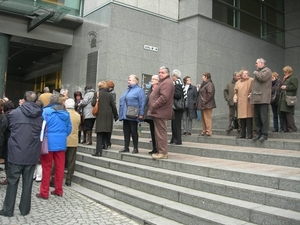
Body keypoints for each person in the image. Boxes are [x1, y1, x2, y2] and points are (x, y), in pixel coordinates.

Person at [0, 91, 43, 217]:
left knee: (12, 182)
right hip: (31, 154)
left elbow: (8, 129)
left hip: (16, 153)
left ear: (23, 100)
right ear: (35, 101)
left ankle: (8, 210)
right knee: (27, 183)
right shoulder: (40, 116)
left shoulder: (13, 114)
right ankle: (24, 209)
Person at [36, 94, 71, 199]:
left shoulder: (45, 112)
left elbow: (41, 127)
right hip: (61, 143)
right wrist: (63, 136)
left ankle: (44, 192)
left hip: (48, 143)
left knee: (46, 167)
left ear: (49, 101)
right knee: (60, 167)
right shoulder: (66, 113)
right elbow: (69, 128)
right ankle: (58, 190)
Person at [148, 66, 175, 159]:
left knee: (161, 133)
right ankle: (161, 151)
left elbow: (164, 97)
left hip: (161, 111)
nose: (160, 74)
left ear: (167, 74)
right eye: (159, 72)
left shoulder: (167, 83)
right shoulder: (162, 82)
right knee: (158, 133)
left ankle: (163, 153)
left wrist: (154, 105)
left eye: (162, 72)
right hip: (158, 112)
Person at [118, 74, 146, 154]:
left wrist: (141, 113)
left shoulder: (139, 90)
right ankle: (126, 147)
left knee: (134, 131)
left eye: (130, 80)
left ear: (135, 81)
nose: (128, 81)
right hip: (125, 114)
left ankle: (135, 148)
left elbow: (142, 102)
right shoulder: (127, 90)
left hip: (133, 114)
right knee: (126, 132)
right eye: (128, 80)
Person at [91, 81, 118, 156]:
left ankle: (98, 151)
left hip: (100, 115)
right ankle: (106, 144)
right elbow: (113, 106)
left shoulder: (97, 94)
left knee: (99, 133)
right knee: (107, 131)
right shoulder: (109, 95)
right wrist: (116, 115)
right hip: (108, 115)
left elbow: (93, 104)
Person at [250, 58, 272, 141]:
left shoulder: (267, 70)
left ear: (262, 63)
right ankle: (258, 134)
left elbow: (262, 78)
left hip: (263, 99)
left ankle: (264, 134)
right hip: (256, 98)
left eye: (257, 63)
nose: (255, 64)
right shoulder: (259, 72)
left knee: (263, 117)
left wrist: (255, 72)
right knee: (257, 118)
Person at [233, 70, 254, 139]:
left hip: (248, 102)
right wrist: (235, 97)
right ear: (241, 75)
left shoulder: (251, 80)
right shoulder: (238, 82)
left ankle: (249, 134)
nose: (245, 75)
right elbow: (235, 92)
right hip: (241, 102)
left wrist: (252, 94)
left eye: (246, 73)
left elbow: (255, 88)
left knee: (248, 118)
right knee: (242, 119)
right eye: (243, 74)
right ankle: (242, 134)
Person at [65, 98, 81, 186]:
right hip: (73, 139)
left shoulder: (64, 114)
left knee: (60, 160)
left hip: (64, 139)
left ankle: (55, 178)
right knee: (71, 161)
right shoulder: (77, 115)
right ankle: (69, 179)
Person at [278, 65, 298, 133]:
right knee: (284, 113)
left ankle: (292, 128)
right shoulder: (286, 78)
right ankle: (285, 128)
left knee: (288, 113)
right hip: (284, 98)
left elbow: (295, 87)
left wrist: (286, 87)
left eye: (285, 72)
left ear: (288, 71)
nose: (284, 73)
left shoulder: (293, 78)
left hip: (289, 98)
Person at [196, 72, 216, 136]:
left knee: (207, 118)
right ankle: (204, 130)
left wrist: (204, 101)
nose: (202, 77)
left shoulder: (209, 84)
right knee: (204, 118)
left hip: (207, 104)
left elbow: (210, 94)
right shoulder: (204, 84)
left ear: (206, 77)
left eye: (203, 76)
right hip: (203, 104)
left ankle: (208, 131)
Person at [170, 69, 186, 145]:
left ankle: (177, 140)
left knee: (176, 124)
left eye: (173, 75)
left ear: (175, 76)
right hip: (177, 107)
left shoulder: (177, 83)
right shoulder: (179, 83)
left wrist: (170, 93)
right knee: (174, 123)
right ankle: (174, 139)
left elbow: (178, 95)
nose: (172, 77)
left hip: (177, 107)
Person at [144, 75, 159, 154]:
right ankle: (154, 148)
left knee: (157, 132)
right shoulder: (150, 89)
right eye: (152, 79)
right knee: (152, 131)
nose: (152, 80)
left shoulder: (159, 88)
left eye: (154, 79)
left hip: (157, 113)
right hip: (150, 113)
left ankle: (158, 148)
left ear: (158, 80)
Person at [0, 100, 14, 185]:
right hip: (12, 141)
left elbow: (2, 132)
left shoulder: (5, 117)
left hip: (6, 141)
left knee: (7, 161)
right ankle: (9, 178)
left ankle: (8, 178)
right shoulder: (16, 115)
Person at [105, 80, 117, 149]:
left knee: (109, 128)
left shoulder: (112, 93)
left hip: (110, 112)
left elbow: (112, 103)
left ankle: (108, 142)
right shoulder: (109, 92)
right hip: (109, 112)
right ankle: (107, 142)